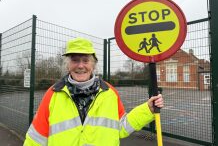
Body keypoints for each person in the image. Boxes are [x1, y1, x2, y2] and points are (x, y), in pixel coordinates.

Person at [23, 37, 164, 146]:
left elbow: (121, 127)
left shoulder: (109, 93)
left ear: (94, 64)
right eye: (75, 60)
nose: (80, 65)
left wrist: (148, 109)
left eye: (85, 60)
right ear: (67, 65)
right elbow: (36, 138)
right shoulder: (53, 94)